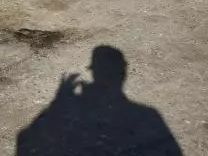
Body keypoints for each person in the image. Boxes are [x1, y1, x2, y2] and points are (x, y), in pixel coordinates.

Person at [16, 45, 183, 156]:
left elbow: (25, 140)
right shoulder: (148, 116)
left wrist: (58, 104)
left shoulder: (147, 116)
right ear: (123, 73)